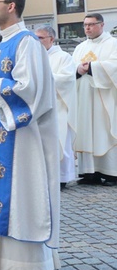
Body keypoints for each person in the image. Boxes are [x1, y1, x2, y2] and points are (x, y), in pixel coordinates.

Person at [0, 0, 60, 270]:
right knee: (2, 194)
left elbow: (30, 91)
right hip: (1, 132)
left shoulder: (28, 43)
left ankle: (25, 263)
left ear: (11, 7)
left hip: (22, 136)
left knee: (22, 192)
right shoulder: (3, 44)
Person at [72, 13, 117, 186]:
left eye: (91, 24)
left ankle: (112, 173)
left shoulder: (112, 44)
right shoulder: (80, 47)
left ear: (102, 25)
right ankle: (90, 172)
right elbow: (71, 67)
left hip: (104, 99)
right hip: (83, 97)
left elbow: (115, 66)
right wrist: (78, 70)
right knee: (86, 131)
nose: (88, 28)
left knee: (104, 131)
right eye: (85, 25)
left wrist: (92, 67)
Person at [35, 25, 77, 189]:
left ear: (51, 39)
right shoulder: (33, 56)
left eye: (40, 38)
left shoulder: (63, 57)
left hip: (58, 105)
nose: (37, 41)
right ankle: (43, 176)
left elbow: (67, 79)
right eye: (35, 38)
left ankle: (62, 177)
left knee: (60, 141)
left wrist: (44, 78)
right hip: (38, 106)